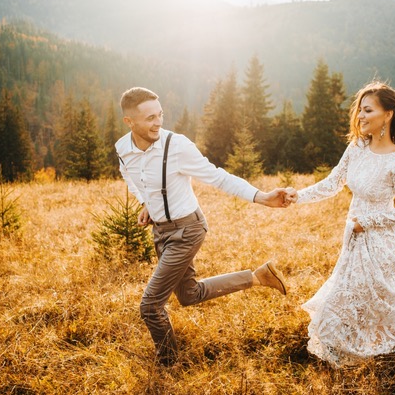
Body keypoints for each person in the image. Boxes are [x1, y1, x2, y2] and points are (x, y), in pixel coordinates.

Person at [116, 87, 288, 366]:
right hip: (160, 232)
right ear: (129, 122)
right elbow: (130, 175)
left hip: (188, 230)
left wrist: (262, 197)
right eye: (149, 118)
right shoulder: (123, 149)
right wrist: (145, 202)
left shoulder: (177, 146)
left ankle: (168, 365)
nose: (158, 122)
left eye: (159, 115)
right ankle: (258, 277)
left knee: (150, 306)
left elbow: (218, 177)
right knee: (189, 295)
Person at [285, 81, 395, 368]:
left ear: (388, 114)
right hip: (352, 236)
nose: (360, 116)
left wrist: (369, 220)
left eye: (368, 110)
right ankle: (349, 354)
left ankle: (386, 354)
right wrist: (296, 196)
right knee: (355, 298)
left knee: (379, 299)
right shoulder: (357, 147)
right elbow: (333, 183)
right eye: (359, 110)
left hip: (379, 242)